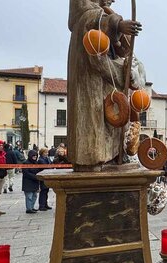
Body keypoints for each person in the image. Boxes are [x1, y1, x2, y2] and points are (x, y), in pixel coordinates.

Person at [67, 0, 143, 171]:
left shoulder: (101, 14)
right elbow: (94, 23)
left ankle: (112, 157)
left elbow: (116, 49)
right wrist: (118, 25)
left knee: (108, 121)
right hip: (92, 86)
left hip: (108, 88)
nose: (113, 0)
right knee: (93, 120)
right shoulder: (86, 18)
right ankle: (94, 160)